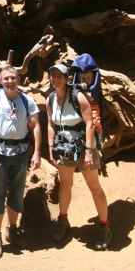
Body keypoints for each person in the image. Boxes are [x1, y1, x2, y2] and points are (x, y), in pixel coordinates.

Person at [45, 63, 111, 251]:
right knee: (65, 184)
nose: (56, 79)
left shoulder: (78, 96)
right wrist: (50, 148)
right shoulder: (50, 99)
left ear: (67, 79)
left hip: (83, 147)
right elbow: (51, 125)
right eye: (53, 75)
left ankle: (105, 226)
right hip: (64, 147)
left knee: (94, 186)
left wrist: (90, 151)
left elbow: (89, 124)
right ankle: (63, 220)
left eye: (60, 76)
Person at [0, 66, 42, 259]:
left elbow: (37, 126)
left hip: (21, 153)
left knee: (16, 194)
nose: (9, 81)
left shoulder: (26, 100)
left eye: (12, 78)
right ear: (1, 80)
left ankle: (13, 230)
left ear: (18, 79)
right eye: (6, 78)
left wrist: (37, 153)